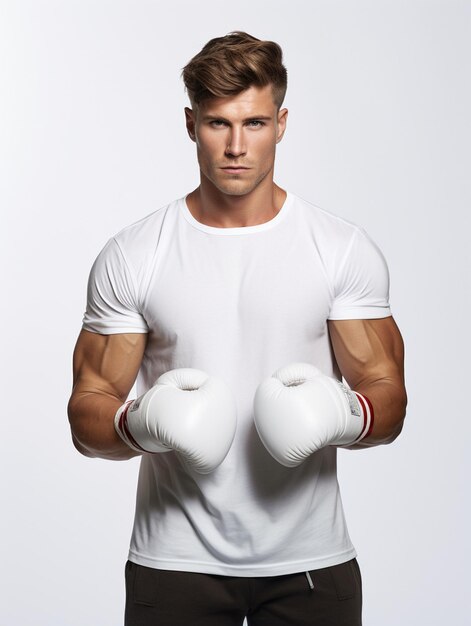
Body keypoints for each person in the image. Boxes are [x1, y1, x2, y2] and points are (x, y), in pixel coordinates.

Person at [68, 31, 407, 626]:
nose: (234, 146)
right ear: (189, 123)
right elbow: (86, 414)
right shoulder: (136, 254)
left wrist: (344, 414)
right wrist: (138, 421)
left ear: (281, 123)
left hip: (311, 564)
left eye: (252, 124)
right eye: (217, 124)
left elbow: (389, 396)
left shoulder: (339, 249)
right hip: (174, 563)